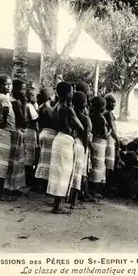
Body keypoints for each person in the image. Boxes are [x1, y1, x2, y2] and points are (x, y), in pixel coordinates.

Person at [47, 81, 84, 214]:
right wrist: (74, 131)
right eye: (72, 90)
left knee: (58, 172)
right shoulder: (68, 109)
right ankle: (57, 206)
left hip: (58, 139)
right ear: (68, 93)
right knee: (64, 173)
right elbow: (81, 127)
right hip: (66, 141)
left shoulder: (56, 106)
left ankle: (56, 203)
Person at [4, 78, 27, 197]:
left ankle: (13, 186)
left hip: (13, 132)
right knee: (15, 160)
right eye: (23, 89)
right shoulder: (16, 102)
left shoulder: (12, 100)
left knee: (14, 160)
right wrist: (24, 103)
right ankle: (10, 187)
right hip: (16, 132)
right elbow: (23, 121)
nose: (24, 91)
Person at [69, 91, 91, 209]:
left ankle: (69, 198)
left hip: (72, 143)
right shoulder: (84, 118)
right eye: (85, 101)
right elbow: (85, 136)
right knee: (79, 172)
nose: (87, 103)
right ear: (83, 103)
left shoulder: (71, 114)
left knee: (72, 172)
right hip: (81, 145)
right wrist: (87, 149)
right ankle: (74, 202)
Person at [34, 88, 57, 192]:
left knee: (42, 159)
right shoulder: (50, 110)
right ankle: (43, 183)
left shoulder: (41, 107)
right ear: (49, 97)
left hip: (42, 133)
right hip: (49, 134)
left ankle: (39, 182)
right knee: (47, 161)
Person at [89, 96, 110, 199]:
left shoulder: (92, 115)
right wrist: (110, 131)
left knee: (95, 166)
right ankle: (94, 191)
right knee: (98, 167)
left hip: (95, 141)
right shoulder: (101, 117)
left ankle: (92, 190)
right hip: (100, 143)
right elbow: (105, 134)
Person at [104, 93, 120, 196]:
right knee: (109, 164)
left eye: (115, 102)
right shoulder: (108, 113)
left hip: (110, 139)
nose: (114, 104)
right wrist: (118, 141)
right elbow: (112, 129)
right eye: (112, 102)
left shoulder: (108, 113)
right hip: (110, 140)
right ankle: (106, 188)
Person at [24, 86, 39, 188]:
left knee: (32, 154)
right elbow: (35, 118)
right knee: (29, 155)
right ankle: (28, 178)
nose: (35, 97)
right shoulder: (29, 106)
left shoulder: (34, 105)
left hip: (33, 131)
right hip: (30, 131)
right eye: (33, 95)